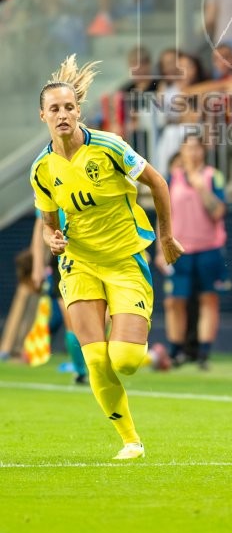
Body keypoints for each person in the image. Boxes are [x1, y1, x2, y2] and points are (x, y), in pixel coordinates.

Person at [29, 55, 183, 460]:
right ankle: (131, 442)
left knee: (126, 360)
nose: (62, 115)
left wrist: (166, 235)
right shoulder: (42, 169)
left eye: (69, 107)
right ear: (43, 116)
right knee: (95, 358)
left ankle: (148, 349)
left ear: (78, 111)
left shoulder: (109, 146)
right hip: (79, 263)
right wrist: (51, 239)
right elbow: (48, 223)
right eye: (54, 109)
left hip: (124, 260)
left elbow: (158, 182)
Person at [155, 135, 228, 371]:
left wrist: (202, 188)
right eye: (188, 148)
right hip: (179, 250)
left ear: (203, 151)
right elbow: (163, 215)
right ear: (182, 152)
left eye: (197, 148)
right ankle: (176, 351)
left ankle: (204, 353)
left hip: (209, 248)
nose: (193, 153)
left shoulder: (213, 176)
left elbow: (218, 212)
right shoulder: (171, 178)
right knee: (174, 301)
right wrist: (160, 249)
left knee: (208, 298)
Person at [30, 208, 86, 384]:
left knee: (102, 319)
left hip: (93, 256)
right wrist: (37, 266)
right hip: (63, 261)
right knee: (72, 321)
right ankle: (80, 370)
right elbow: (40, 227)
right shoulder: (49, 194)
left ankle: (95, 364)